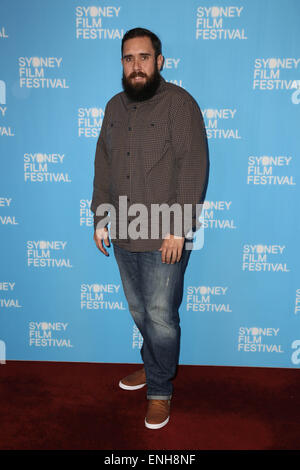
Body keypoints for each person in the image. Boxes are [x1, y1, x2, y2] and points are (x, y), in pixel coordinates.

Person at [91, 27, 209, 429]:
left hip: (165, 234)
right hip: (124, 229)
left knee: (161, 315)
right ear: (122, 64)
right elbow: (103, 167)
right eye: (128, 58)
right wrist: (101, 217)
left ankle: (159, 389)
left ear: (159, 61)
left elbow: (193, 165)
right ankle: (153, 362)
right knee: (140, 310)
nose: (136, 66)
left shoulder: (179, 104)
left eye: (143, 57)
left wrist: (179, 228)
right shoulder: (113, 107)